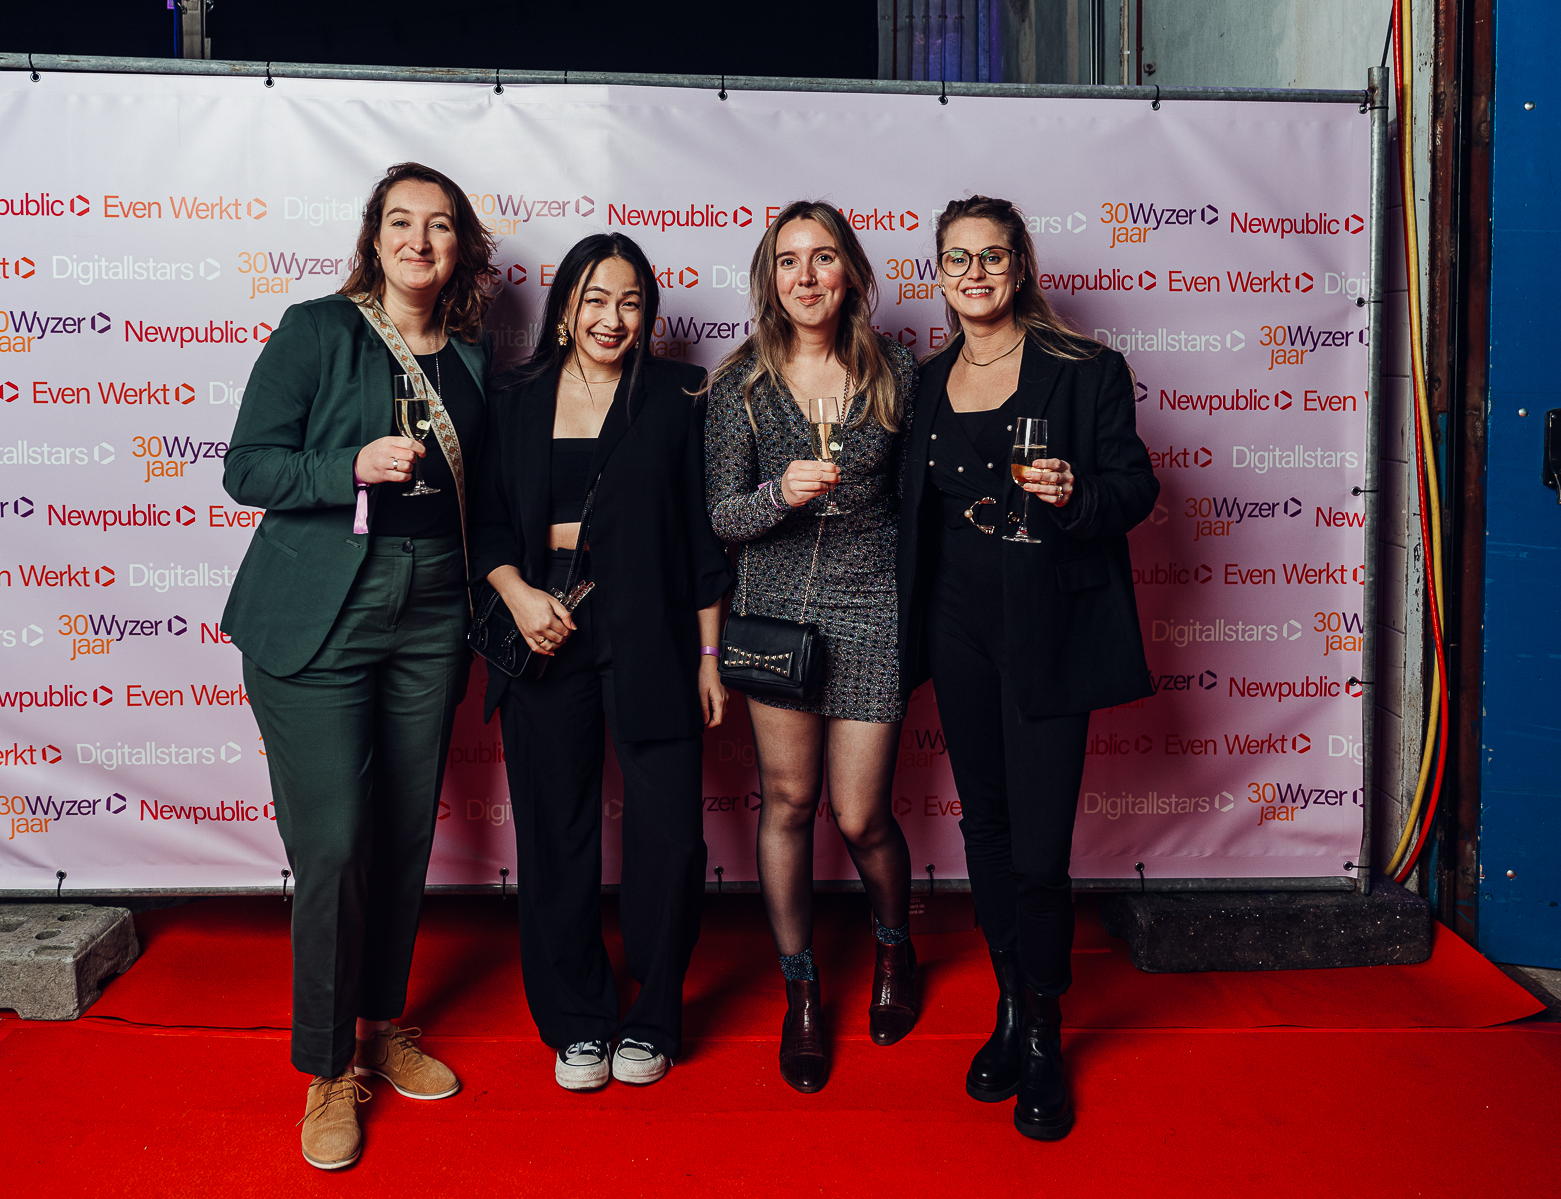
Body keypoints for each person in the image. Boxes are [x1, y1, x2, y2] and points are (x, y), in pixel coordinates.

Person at [221, 161, 493, 1171]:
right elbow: (246, 467)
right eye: (401, 222)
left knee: (403, 831)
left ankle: (381, 1025)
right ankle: (328, 1065)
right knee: (334, 844)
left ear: (460, 247)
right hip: (319, 612)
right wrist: (349, 468)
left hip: (432, 611)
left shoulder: (473, 361)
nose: (419, 241)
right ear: (373, 237)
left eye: (439, 226)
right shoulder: (317, 330)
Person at [894, 194, 1158, 1141]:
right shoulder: (925, 382)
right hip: (956, 629)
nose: (975, 273)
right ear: (939, 273)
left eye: (992, 256)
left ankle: (1044, 1027)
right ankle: (1009, 1002)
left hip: (1048, 627)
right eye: (958, 258)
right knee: (989, 829)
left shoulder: (1085, 370)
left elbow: (1136, 487)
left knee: (1041, 850)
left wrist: (1079, 491)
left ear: (1020, 267)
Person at [471, 232, 732, 1091]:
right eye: (594, 299)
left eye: (629, 301)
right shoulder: (514, 397)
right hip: (544, 627)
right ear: (564, 311)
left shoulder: (678, 396)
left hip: (652, 630)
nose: (611, 317)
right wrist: (516, 592)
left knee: (670, 834)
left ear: (647, 312)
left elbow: (699, 538)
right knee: (556, 829)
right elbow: (485, 521)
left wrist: (708, 656)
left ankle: (654, 1012)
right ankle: (577, 1018)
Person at [705, 199, 919, 1094]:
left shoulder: (897, 371)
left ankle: (894, 946)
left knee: (861, 815)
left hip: (871, 607)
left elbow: (919, 503)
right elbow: (721, 518)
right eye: (788, 260)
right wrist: (779, 494)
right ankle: (801, 989)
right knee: (789, 804)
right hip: (775, 615)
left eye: (823, 257)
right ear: (771, 279)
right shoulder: (740, 386)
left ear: (851, 273)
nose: (806, 275)